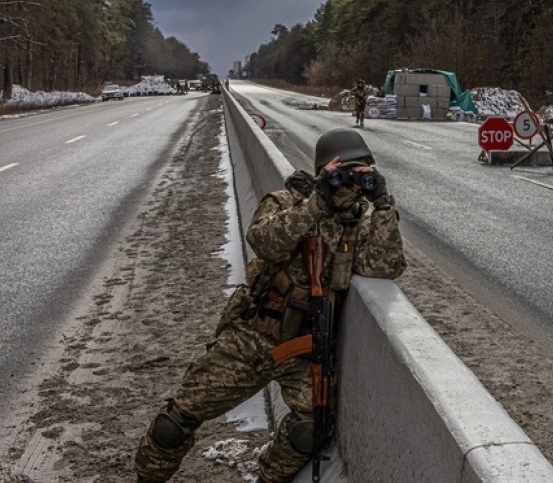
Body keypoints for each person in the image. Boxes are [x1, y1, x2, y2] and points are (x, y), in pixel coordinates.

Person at [134, 128, 406, 483]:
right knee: (176, 420)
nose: (351, 182)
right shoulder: (285, 202)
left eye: (361, 172)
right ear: (324, 170)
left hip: (305, 348)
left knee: (309, 430)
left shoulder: (357, 224)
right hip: (253, 335)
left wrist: (383, 205)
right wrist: (317, 202)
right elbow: (265, 242)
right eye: (344, 171)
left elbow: (385, 266)